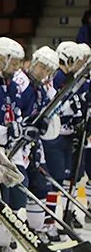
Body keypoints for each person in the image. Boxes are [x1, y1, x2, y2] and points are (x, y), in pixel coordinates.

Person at [10, 47, 61, 241]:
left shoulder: (41, 87)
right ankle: (5, 238)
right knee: (16, 189)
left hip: (32, 147)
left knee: (41, 185)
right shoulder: (20, 82)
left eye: (48, 70)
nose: (44, 73)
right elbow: (13, 113)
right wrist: (24, 127)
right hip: (16, 146)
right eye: (42, 67)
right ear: (34, 63)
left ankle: (36, 229)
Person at [0, 37, 29, 252]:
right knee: (0, 200)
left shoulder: (13, 85)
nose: (16, 67)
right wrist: (4, 132)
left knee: (15, 201)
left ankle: (5, 244)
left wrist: (22, 129)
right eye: (13, 61)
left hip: (13, 154)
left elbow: (17, 113)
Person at [44, 42, 87, 229]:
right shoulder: (57, 77)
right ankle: (49, 222)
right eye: (77, 60)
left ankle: (63, 216)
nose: (79, 64)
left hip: (68, 136)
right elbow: (56, 105)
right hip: (56, 137)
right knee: (55, 180)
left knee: (69, 177)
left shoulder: (72, 77)